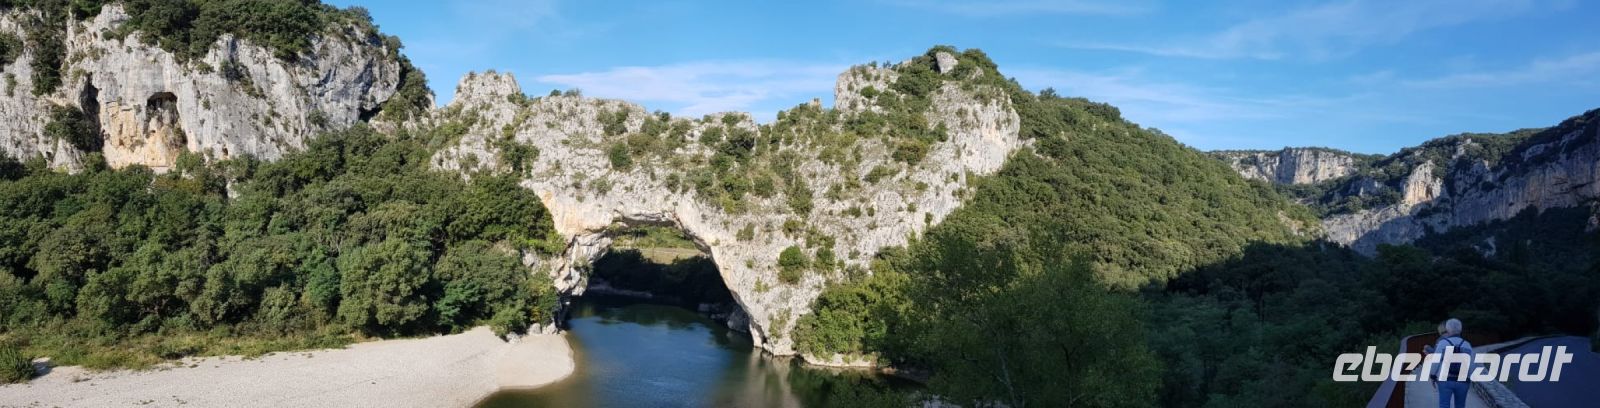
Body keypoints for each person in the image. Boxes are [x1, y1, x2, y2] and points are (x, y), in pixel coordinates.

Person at [1431, 318, 1474, 408]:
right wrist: (1470, 377)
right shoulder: (1467, 345)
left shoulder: (1442, 343)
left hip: (1445, 380)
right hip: (1463, 380)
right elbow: (1472, 365)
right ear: (1460, 329)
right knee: (1460, 405)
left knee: (1444, 405)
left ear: (1447, 329)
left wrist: (1432, 375)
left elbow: (1435, 362)